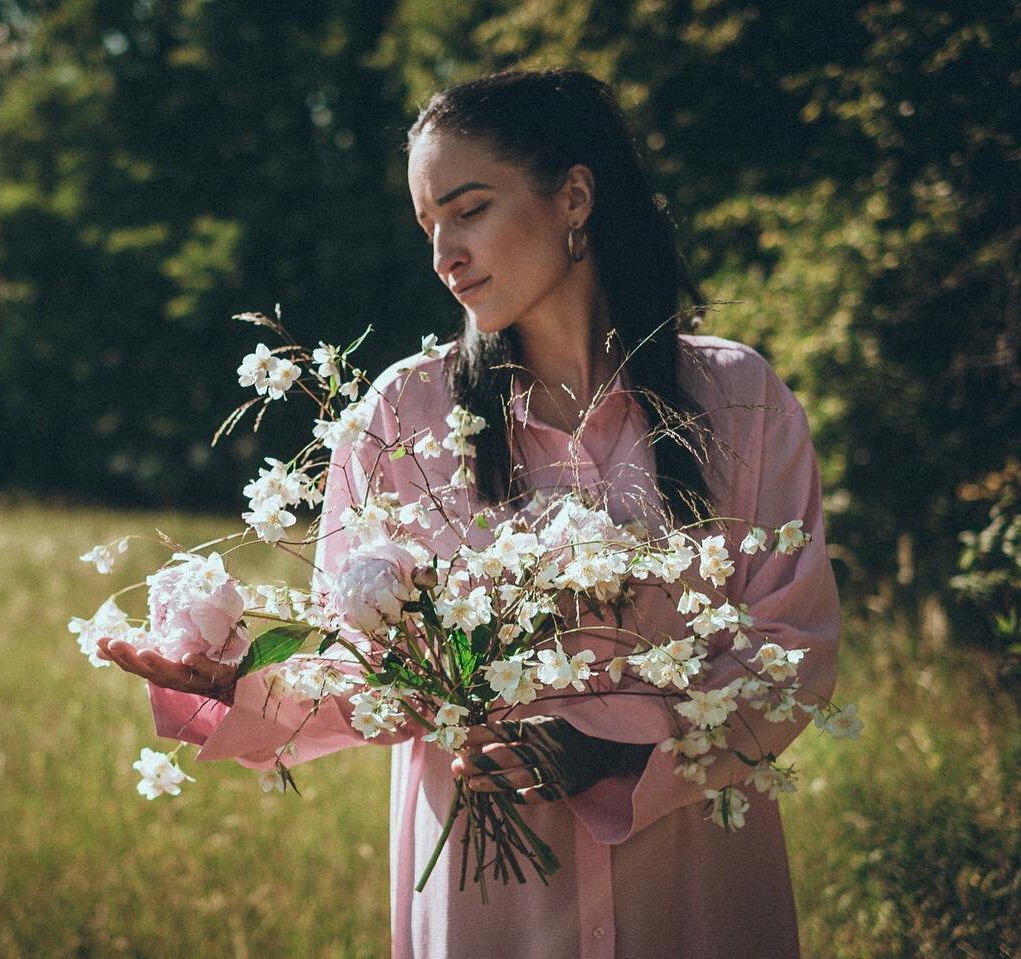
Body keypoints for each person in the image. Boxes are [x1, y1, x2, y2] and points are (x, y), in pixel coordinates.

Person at [98, 68, 840, 958]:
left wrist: (611, 748)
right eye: (428, 225)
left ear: (574, 196)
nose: (443, 253)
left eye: (470, 208)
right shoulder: (400, 417)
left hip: (693, 891)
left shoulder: (739, 398)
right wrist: (241, 682)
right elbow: (370, 665)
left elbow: (790, 648)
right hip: (494, 904)